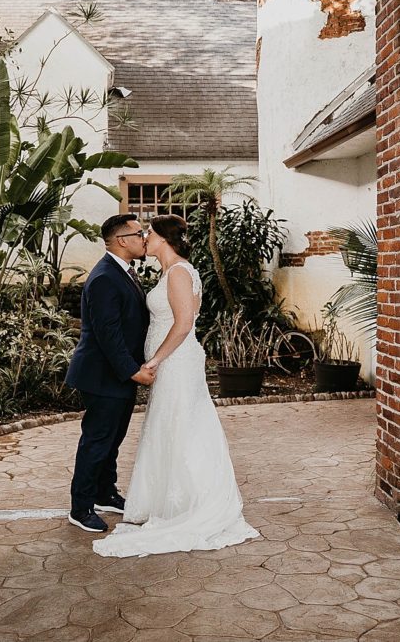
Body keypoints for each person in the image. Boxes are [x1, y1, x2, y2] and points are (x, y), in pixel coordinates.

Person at [92, 214, 259, 557]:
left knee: (182, 428)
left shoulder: (180, 272)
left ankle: (188, 504)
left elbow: (183, 325)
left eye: (149, 233)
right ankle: (167, 500)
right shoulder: (171, 271)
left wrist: (153, 360)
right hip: (171, 365)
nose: (144, 238)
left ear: (164, 239)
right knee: (169, 427)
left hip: (177, 363)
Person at [65, 214, 155, 533]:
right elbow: (108, 333)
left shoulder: (124, 272)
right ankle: (81, 507)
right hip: (102, 376)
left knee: (112, 441)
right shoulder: (104, 277)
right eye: (138, 233)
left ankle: (105, 492)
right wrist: (133, 372)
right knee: (97, 441)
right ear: (121, 240)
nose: (144, 238)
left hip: (116, 375)